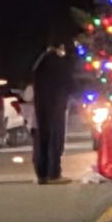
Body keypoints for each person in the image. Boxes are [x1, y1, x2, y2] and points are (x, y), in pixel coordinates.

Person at [31, 41, 74, 184]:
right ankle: (54, 173)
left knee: (41, 140)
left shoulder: (39, 61)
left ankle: (42, 174)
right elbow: (68, 83)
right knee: (55, 139)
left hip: (40, 106)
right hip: (55, 104)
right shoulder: (57, 62)